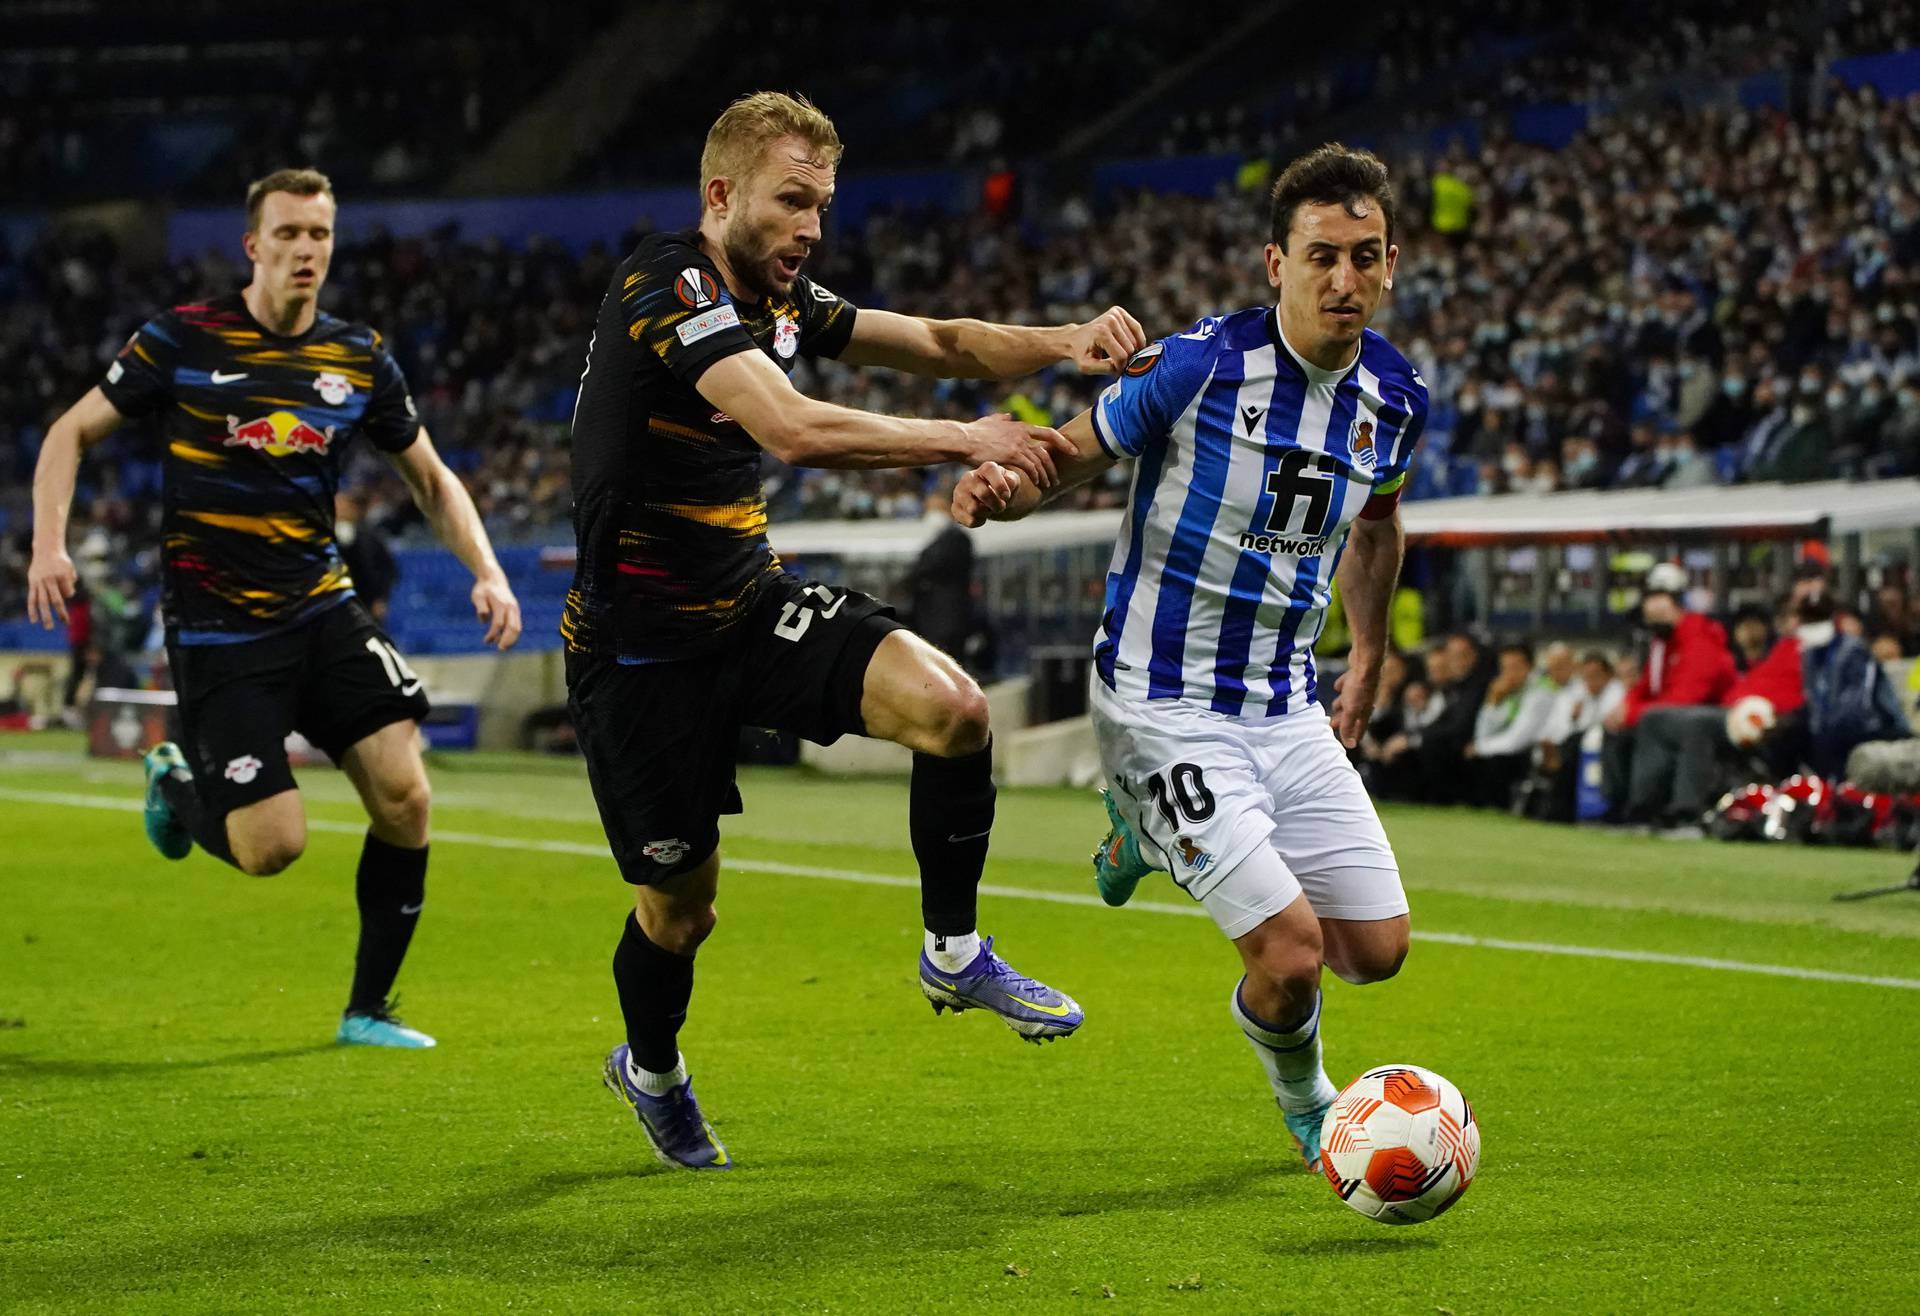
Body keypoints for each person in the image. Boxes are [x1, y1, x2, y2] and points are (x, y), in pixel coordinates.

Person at [566, 92, 1147, 1171]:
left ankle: (953, 948)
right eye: (792, 201)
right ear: (721, 194)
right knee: (680, 914)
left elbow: (935, 338)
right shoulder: (667, 283)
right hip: (637, 654)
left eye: (822, 206)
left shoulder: (779, 298)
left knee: (956, 711)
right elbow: (788, 427)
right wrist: (962, 439)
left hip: (747, 606)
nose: (811, 228)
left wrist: (1069, 343)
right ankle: (651, 1072)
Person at [952, 144, 1426, 1172]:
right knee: (1292, 955)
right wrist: (1004, 484)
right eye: (1321, 256)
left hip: (1284, 703)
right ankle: (1310, 1102)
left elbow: (1378, 526)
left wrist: (1371, 649)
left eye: (1365, 255)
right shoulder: (1200, 365)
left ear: (1391, 265)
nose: (1344, 278)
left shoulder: (1396, 397)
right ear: (1275, 263)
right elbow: (1073, 452)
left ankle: (1144, 828)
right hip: (1161, 701)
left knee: (1374, 952)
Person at [26, 168, 523, 1049]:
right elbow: (69, 432)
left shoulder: (357, 357)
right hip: (219, 629)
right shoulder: (180, 340)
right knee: (271, 849)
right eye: (288, 233)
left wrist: (487, 570)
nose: (306, 250)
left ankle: (368, 1010)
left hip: (321, 608)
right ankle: (178, 786)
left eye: (320, 235)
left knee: (407, 795)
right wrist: (49, 545)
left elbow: (432, 480)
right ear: (253, 245)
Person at [1465, 640, 1564, 809]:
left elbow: (1518, 740)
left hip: (1535, 752)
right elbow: (1482, 734)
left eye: (1515, 667)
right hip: (1511, 750)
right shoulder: (1509, 690)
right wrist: (1493, 701)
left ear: (1530, 666)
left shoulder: (1540, 692)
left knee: (1494, 758)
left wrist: (1480, 747)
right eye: (1505, 668)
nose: (1509, 674)